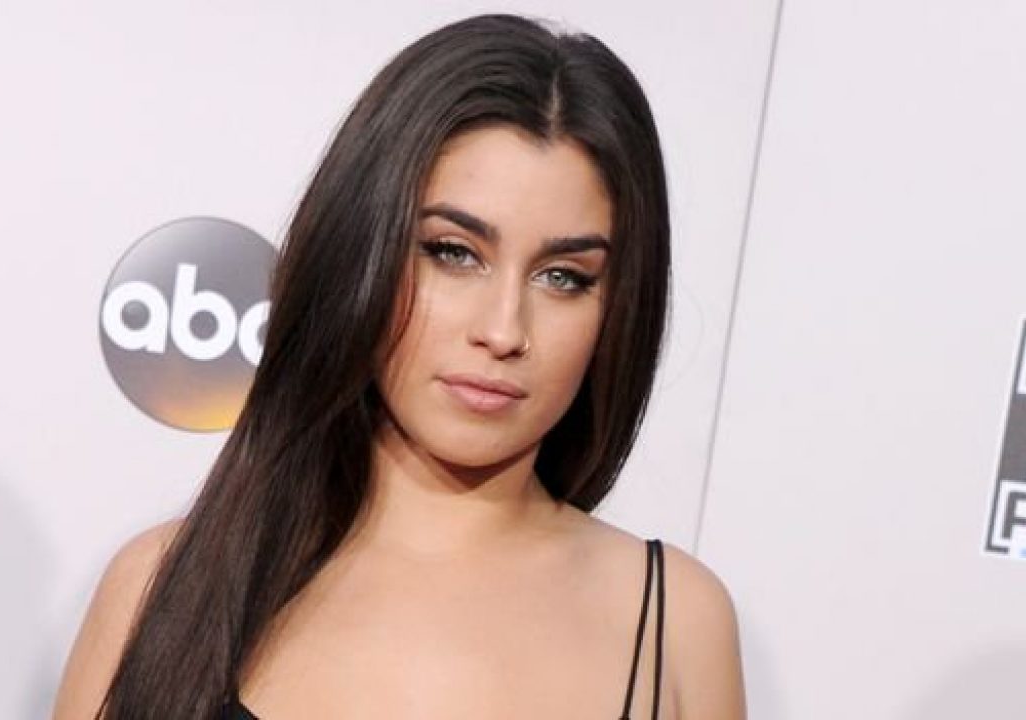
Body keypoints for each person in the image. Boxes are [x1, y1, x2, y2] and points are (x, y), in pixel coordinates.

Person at [53, 13, 745, 720]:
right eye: (453, 252)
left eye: (563, 277)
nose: (503, 330)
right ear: (363, 252)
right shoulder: (160, 593)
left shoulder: (676, 628)